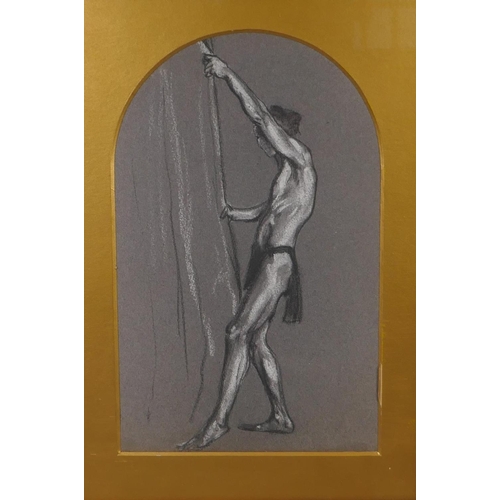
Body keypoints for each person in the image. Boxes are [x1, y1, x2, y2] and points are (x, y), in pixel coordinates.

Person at [178, 53, 317, 450]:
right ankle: (281, 416)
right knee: (255, 342)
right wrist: (237, 212)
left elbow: (257, 113)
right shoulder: (285, 173)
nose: (260, 140)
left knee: (236, 332)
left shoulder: (300, 160)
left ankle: (217, 423)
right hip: (267, 262)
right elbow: (268, 211)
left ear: (279, 135)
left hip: (277, 264)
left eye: (266, 135)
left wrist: (227, 74)